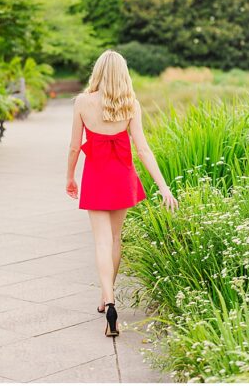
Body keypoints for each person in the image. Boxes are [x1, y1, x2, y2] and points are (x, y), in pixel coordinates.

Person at [65, 50, 178, 337]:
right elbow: (143, 149)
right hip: (121, 178)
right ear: (123, 74)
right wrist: (163, 186)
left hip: (95, 177)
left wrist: (69, 177)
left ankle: (109, 298)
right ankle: (107, 297)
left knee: (101, 242)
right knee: (116, 239)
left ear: (99, 72)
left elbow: (74, 147)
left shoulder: (82, 102)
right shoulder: (131, 106)